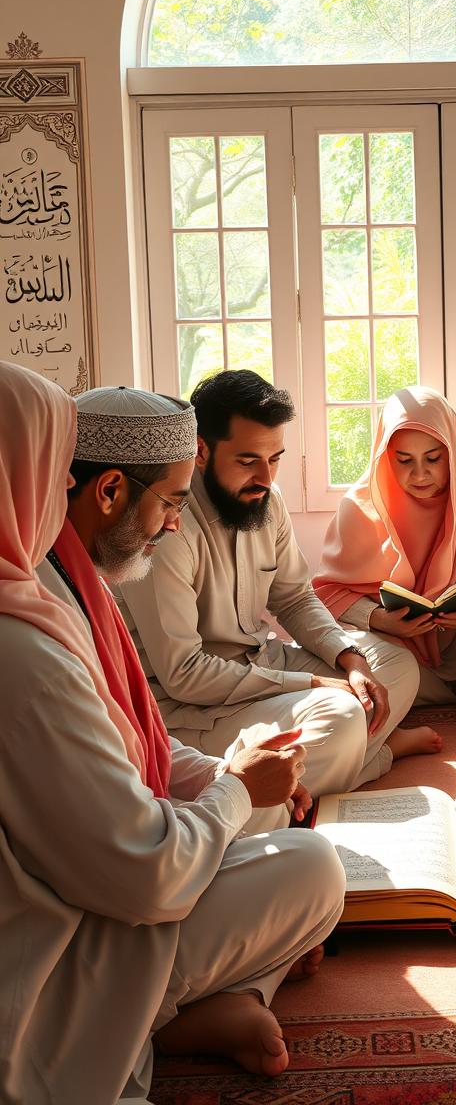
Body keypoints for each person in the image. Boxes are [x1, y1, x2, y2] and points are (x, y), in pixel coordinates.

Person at [0, 364, 346, 1105]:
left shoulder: (53, 585)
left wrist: (230, 776)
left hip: (93, 865)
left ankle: (187, 1008)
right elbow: (146, 874)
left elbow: (132, 740)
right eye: (170, 502)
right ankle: (155, 1019)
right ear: (110, 490)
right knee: (311, 866)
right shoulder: (24, 643)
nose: (175, 522)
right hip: (57, 948)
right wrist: (232, 789)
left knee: (274, 811)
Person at [119, 370, 420, 826]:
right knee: (340, 715)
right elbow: (184, 676)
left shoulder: (267, 500)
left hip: (259, 664)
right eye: (246, 461)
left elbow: (295, 599)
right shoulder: (167, 524)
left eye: (274, 459)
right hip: (192, 706)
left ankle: (327, 770)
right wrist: (317, 685)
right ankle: (366, 761)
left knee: (393, 665)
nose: (264, 477)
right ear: (201, 451)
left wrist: (349, 661)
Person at [313, 385, 456, 708]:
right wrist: (381, 620)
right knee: (356, 654)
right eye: (404, 460)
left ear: (453, 449)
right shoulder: (360, 507)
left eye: (434, 458)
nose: (420, 474)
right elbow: (328, 593)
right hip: (398, 645)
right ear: (385, 457)